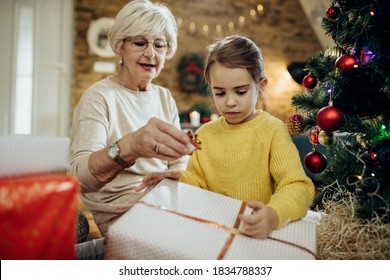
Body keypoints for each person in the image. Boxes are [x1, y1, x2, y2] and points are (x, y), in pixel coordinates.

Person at [138, 35, 315, 239]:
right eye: (220, 93)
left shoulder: (273, 130)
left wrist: (274, 214)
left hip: (257, 235)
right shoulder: (204, 134)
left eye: (240, 92)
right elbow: (200, 184)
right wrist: (178, 178)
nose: (230, 102)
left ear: (261, 86)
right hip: (214, 234)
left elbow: (297, 186)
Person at [69, 0, 192, 258]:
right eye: (139, 43)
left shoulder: (164, 97)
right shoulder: (99, 97)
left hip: (166, 205)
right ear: (119, 48)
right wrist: (129, 147)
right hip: (124, 216)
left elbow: (180, 162)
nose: (151, 54)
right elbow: (79, 179)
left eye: (159, 45)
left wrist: (179, 174)